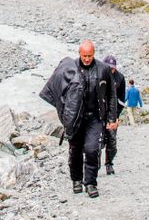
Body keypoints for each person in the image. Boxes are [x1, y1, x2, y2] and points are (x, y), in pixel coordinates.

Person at [39, 39, 118, 198]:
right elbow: (58, 91)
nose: (87, 59)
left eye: (89, 55)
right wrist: (64, 114)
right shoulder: (70, 69)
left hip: (95, 117)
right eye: (84, 56)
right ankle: (76, 180)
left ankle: (90, 183)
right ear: (79, 54)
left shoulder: (103, 69)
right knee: (75, 150)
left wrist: (112, 118)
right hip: (76, 118)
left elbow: (111, 95)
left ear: (94, 54)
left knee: (92, 149)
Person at [102, 55, 126, 175]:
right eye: (108, 67)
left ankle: (109, 164)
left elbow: (121, 100)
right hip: (99, 113)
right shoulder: (98, 75)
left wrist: (116, 116)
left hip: (112, 114)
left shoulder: (120, 78)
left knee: (112, 140)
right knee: (95, 141)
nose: (110, 69)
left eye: (112, 67)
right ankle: (93, 165)